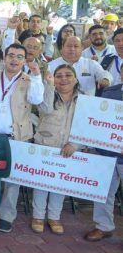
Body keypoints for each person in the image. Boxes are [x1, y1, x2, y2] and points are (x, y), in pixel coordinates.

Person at [0, 44, 44, 233]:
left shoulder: (30, 80)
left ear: (23, 60)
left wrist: (37, 75)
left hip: (17, 137)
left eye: (19, 57)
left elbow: (37, 100)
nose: (14, 60)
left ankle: (6, 215)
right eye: (11, 55)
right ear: (4, 58)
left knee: (13, 180)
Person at [30, 65, 79, 234]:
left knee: (60, 184)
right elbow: (46, 109)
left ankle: (54, 216)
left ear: (76, 79)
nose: (63, 79)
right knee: (42, 183)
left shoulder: (84, 99)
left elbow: (87, 127)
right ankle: (37, 216)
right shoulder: (47, 91)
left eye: (68, 75)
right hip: (45, 144)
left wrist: (75, 145)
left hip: (68, 148)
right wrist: (49, 86)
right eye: (59, 76)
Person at [85, 63, 123, 242]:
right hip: (106, 153)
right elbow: (97, 120)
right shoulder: (109, 92)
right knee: (103, 192)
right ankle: (103, 226)